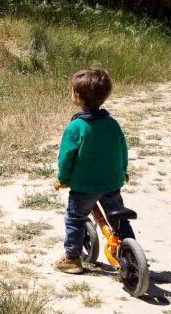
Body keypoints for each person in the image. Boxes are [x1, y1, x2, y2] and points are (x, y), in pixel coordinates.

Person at [52, 68, 132, 275]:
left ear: (77, 97)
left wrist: (63, 179)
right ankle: (130, 251)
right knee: (119, 218)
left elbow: (67, 157)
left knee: (75, 219)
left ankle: (71, 258)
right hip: (112, 183)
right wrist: (123, 171)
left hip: (84, 187)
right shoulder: (112, 124)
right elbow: (122, 149)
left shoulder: (76, 127)